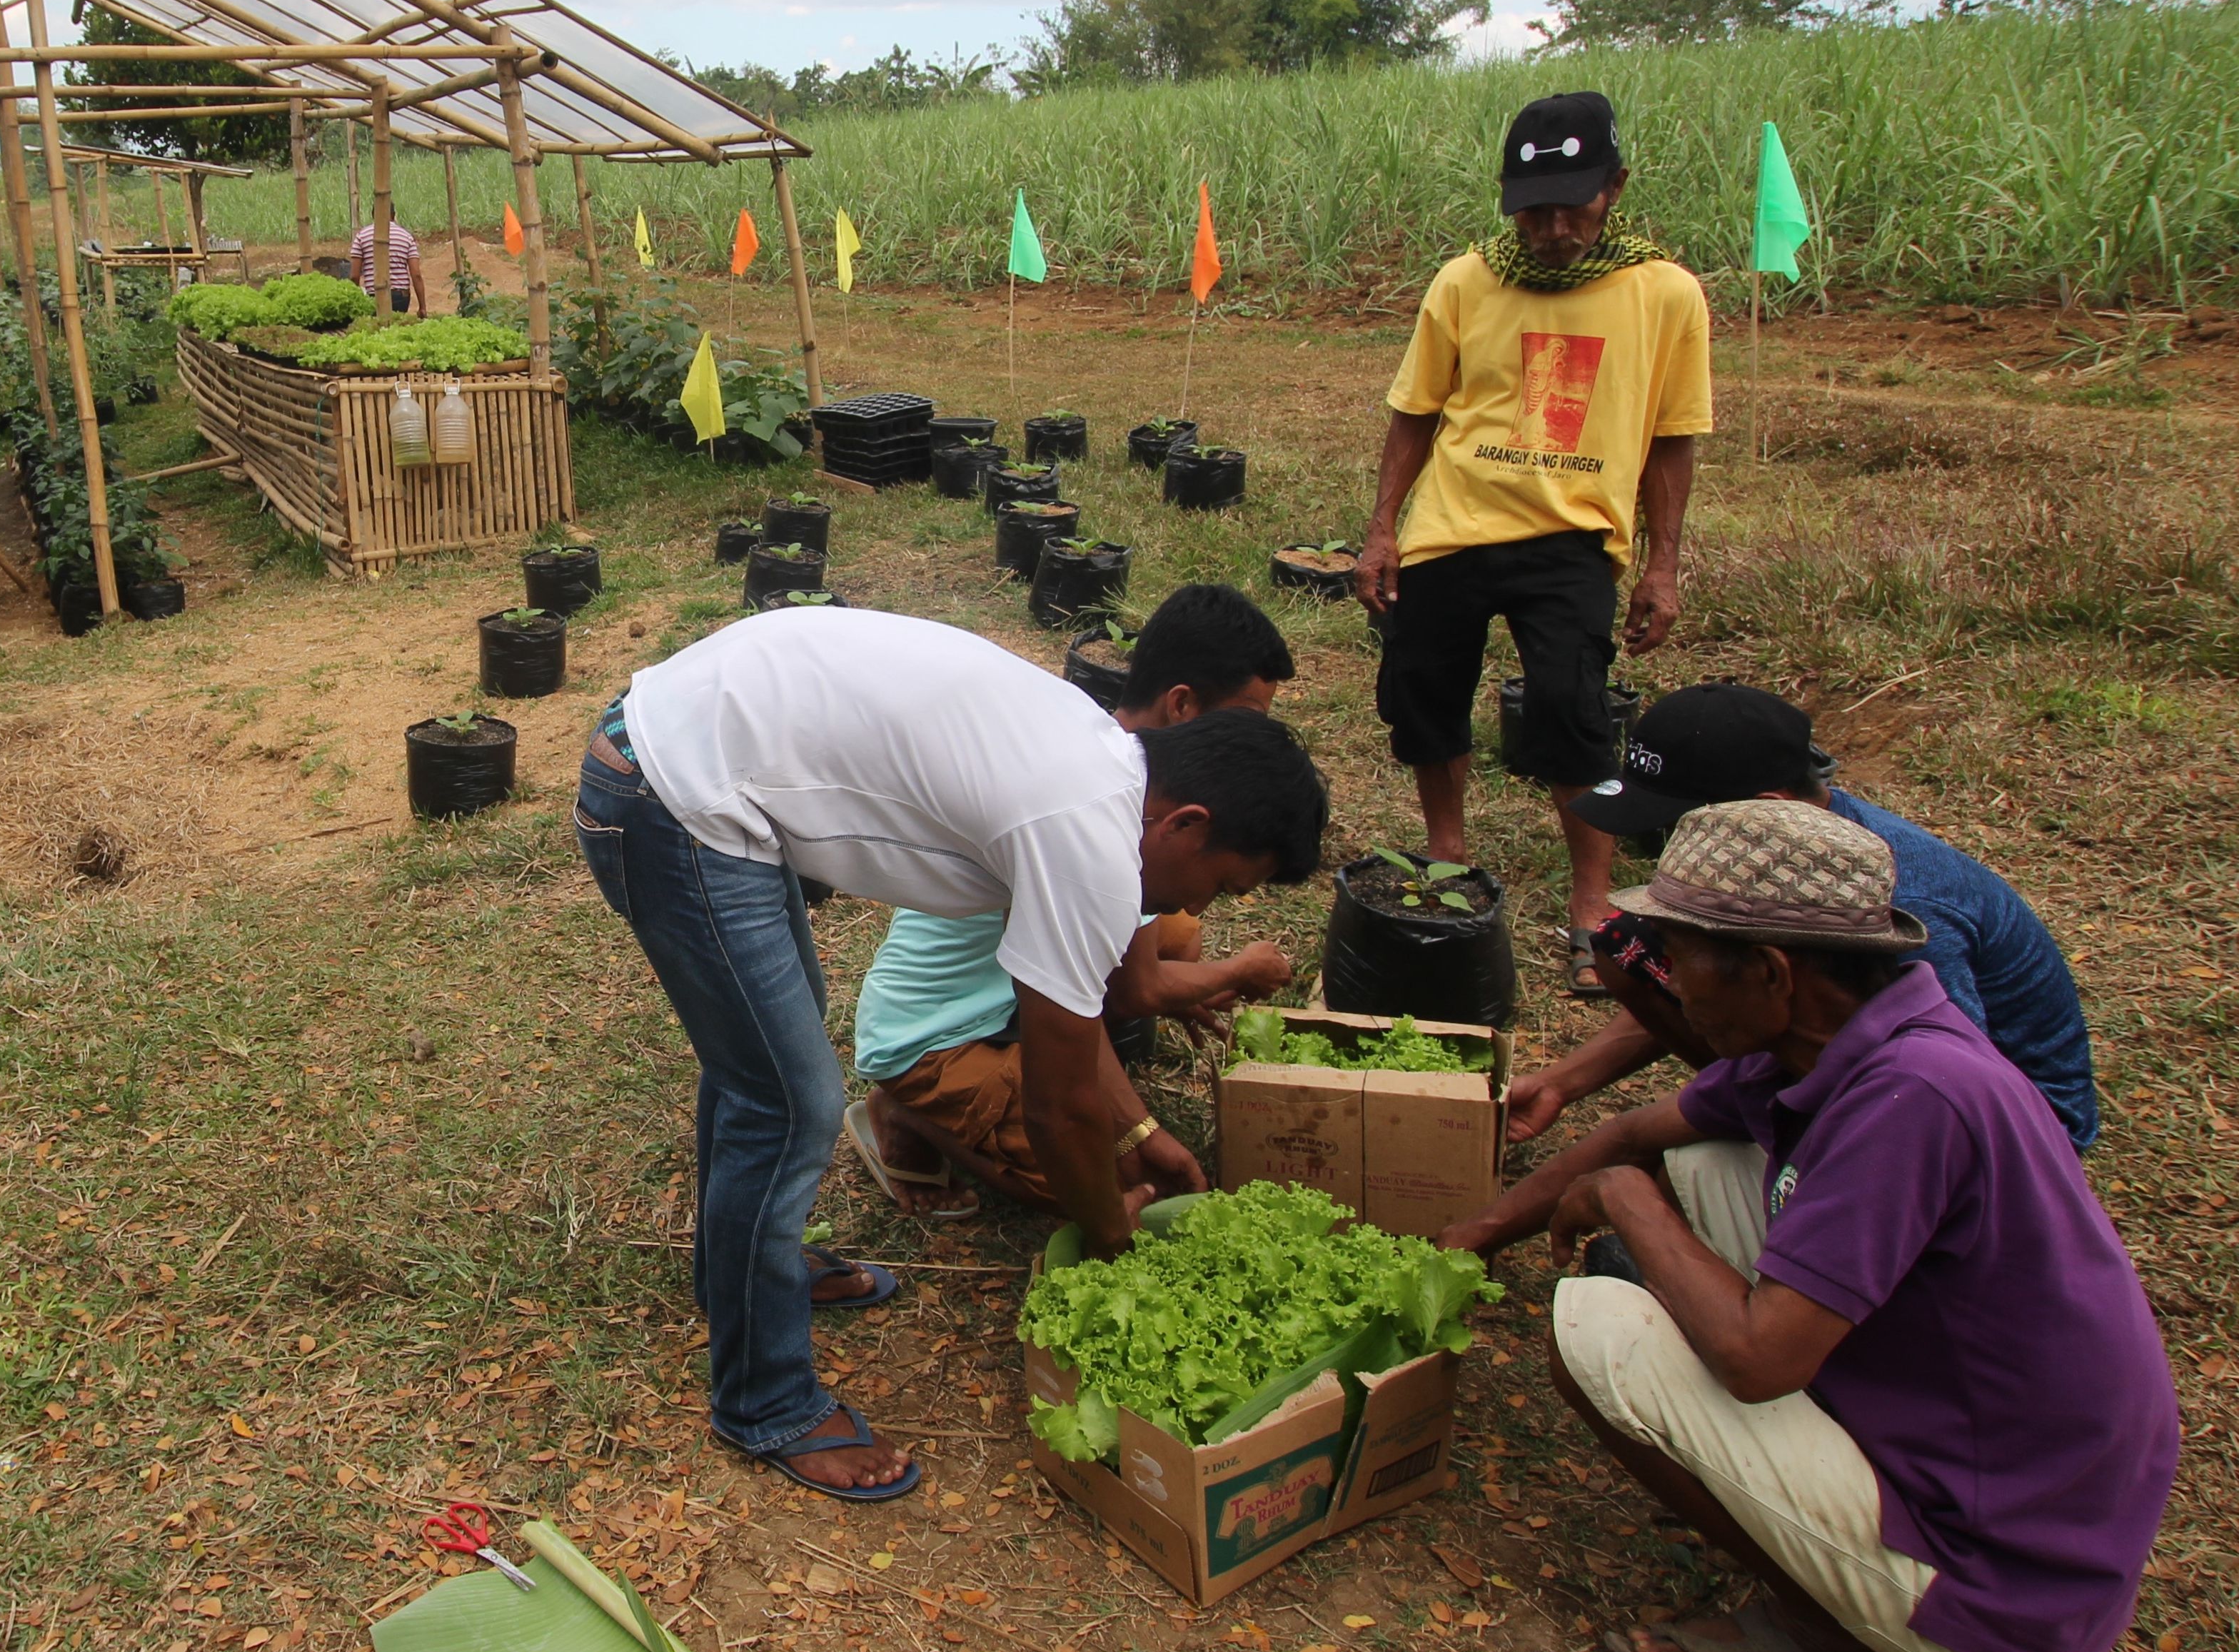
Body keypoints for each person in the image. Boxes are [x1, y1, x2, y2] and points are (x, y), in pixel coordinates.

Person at [1439, 801, 2177, 1652]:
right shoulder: (1841, 1036)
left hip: (1998, 1587)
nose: (1672, 985)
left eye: (1683, 958)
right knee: (1712, 1161)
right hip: (1999, 1479)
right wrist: (1475, 1237)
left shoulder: (1914, 1099)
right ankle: (1829, 1523)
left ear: (1773, 972)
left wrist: (1629, 1202)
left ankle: (1851, 1645)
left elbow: (1757, 1363)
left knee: (1600, 1333)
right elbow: (1637, 1133)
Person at [573, 609, 1330, 1504]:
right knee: (787, 1099)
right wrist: (1116, 1241)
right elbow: (1058, 1105)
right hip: (672, 790)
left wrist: (1144, 1131)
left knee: (767, 1069)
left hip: (689, 750)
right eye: (1224, 883)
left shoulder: (1104, 770)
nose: (1208, 903)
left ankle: (737, 1274)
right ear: (1188, 824)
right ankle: (764, 1401)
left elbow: (1075, 1032)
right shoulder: (1090, 833)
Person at [1352, 92, 1711, 997]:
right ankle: (1447, 856)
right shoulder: (1466, 281)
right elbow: (1415, 413)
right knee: (1424, 694)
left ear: (1615, 188)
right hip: (1453, 524)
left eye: (1572, 206)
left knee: (1569, 710)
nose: (1551, 228)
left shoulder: (1664, 294)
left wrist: (1662, 564)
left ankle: (1592, 907)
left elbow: (1673, 436)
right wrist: (1383, 527)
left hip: (1574, 535)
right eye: (1532, 208)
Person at [846, 586, 1299, 1219]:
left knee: (1173, 933)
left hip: (1005, 990)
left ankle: (1003, 1072)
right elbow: (1130, 992)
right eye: (1245, 720)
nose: (1252, 742)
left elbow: (1101, 987)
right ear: (1182, 706)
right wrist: (1240, 973)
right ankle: (914, 1111)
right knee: (1094, 1184)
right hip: (932, 1031)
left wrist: (1133, 1124)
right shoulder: (1100, 832)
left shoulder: (1109, 757)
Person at [1506, 683, 2101, 1149]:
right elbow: (1699, 979)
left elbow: (1947, 1081)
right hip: (1864, 1062)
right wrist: (1561, 1083)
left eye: (1679, 825)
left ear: (1768, 809)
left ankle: (1784, 1118)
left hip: (2006, 1122)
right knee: (1627, 943)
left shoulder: (1895, 907)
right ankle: (1762, 1100)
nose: (1664, 845)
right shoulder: (1792, 852)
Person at [350, 218, 423, 314]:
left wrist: (354, 301)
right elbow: (416, 275)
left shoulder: (362, 236)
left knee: (377, 327)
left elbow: (355, 276)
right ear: (394, 215)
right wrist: (423, 307)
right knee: (397, 326)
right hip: (401, 297)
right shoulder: (406, 236)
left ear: (373, 215)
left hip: (374, 296)